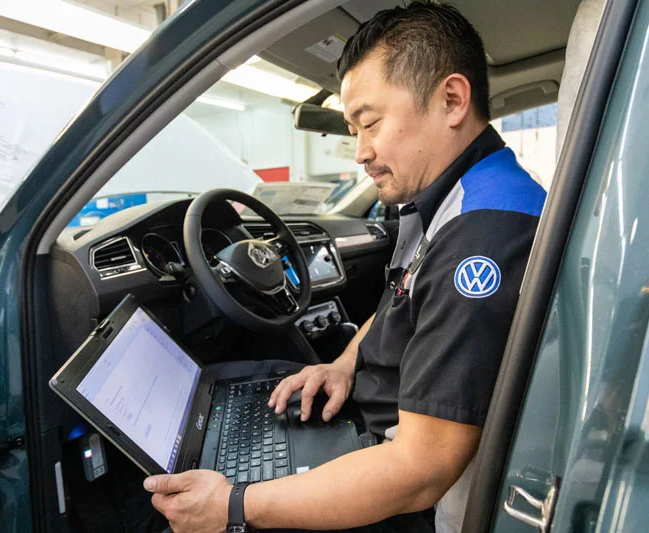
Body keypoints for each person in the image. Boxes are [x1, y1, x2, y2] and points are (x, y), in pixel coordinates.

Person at [143, 3, 547, 532]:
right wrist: (342, 367)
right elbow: (404, 299)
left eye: (370, 123)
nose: (360, 153)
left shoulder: (482, 237)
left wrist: (236, 505)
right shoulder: (463, 193)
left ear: (451, 100)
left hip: (408, 495)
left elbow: (419, 472)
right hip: (378, 431)